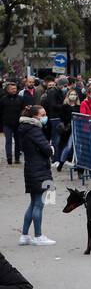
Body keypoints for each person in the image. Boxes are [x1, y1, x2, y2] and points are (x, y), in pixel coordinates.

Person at [15, 107, 55, 246]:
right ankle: (38, 236)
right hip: (39, 169)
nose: (45, 117)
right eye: (42, 115)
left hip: (31, 168)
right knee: (39, 204)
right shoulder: (34, 130)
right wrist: (51, 149)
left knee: (33, 203)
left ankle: (25, 235)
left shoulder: (25, 128)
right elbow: (46, 149)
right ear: (34, 116)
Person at [2, 82, 24, 165]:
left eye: (15, 89)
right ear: (8, 90)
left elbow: (23, 109)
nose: (14, 90)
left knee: (18, 141)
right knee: (8, 140)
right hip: (7, 123)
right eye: (12, 89)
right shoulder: (3, 99)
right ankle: (9, 157)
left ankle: (17, 158)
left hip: (18, 123)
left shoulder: (20, 98)